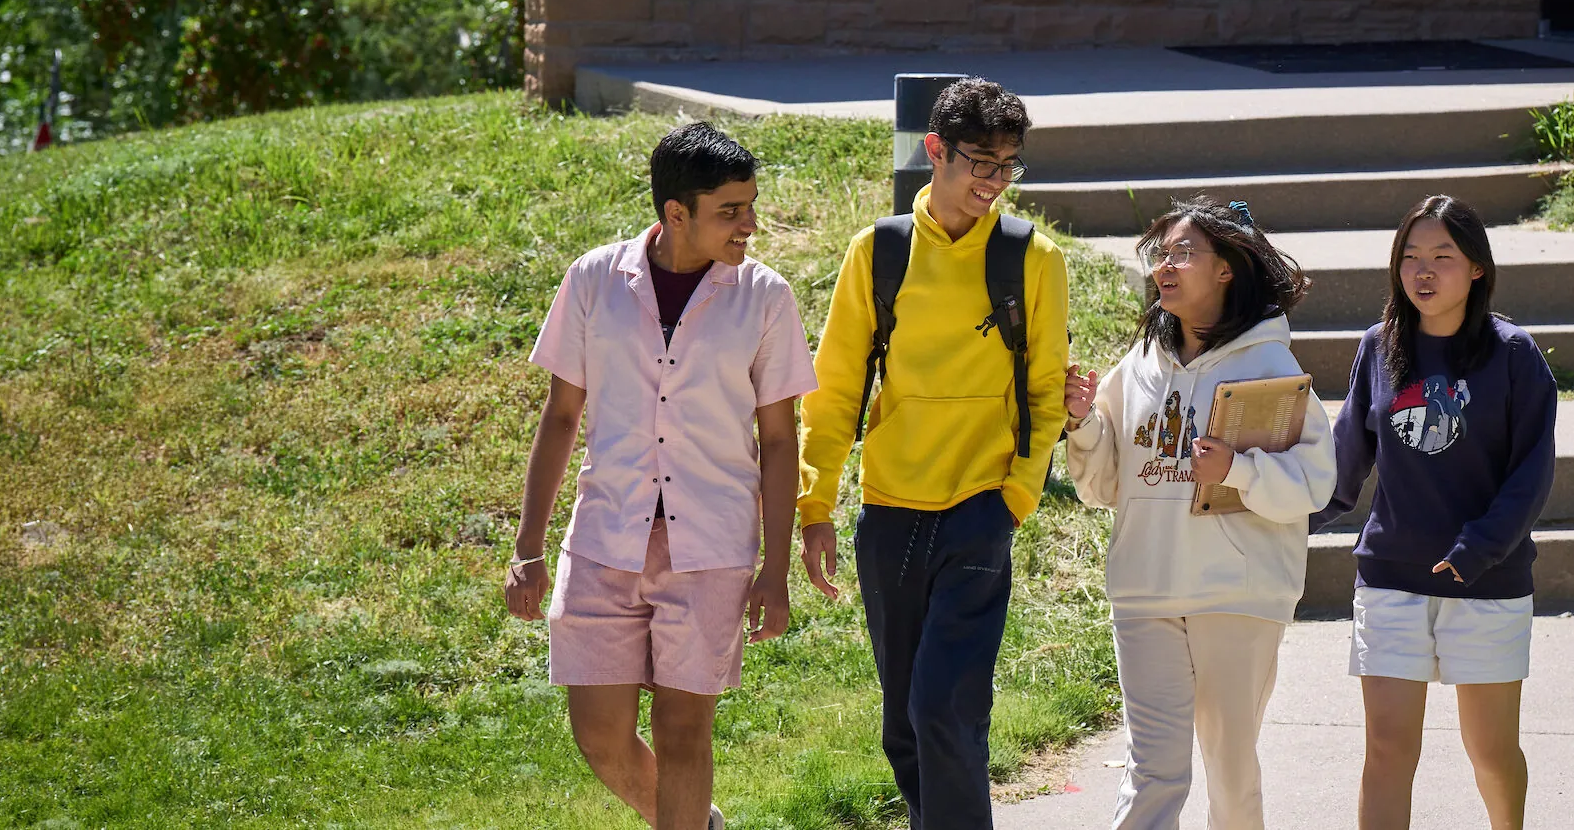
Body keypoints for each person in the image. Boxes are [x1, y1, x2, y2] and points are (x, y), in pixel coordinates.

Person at [504, 122, 818, 830]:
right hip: (603, 539)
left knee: (684, 734)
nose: (750, 224)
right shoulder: (593, 279)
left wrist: (775, 567)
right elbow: (559, 417)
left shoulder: (764, 297)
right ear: (675, 213)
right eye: (730, 211)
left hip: (709, 549)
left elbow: (777, 439)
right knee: (599, 734)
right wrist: (527, 546)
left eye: (751, 205)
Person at [797, 77, 1069, 830]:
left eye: (1008, 165)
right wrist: (814, 503)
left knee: (943, 708)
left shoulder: (1031, 259)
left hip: (978, 512)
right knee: (906, 727)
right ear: (934, 151)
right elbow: (834, 388)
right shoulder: (878, 252)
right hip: (888, 513)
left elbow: (1045, 392)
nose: (993, 182)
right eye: (980, 162)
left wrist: (1013, 497)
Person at [1064, 196, 1336, 830]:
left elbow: (1313, 483)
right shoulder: (1137, 369)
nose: (1165, 265)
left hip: (1237, 595)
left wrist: (1238, 470)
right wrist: (1081, 424)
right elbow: (1104, 483)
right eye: (1160, 253)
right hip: (1145, 592)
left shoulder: (1270, 366)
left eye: (1183, 252)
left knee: (1230, 772)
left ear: (1227, 270)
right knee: (1152, 770)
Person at [1312, 194, 1557, 830]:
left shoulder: (1514, 355)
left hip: (1487, 583)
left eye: (1442, 257)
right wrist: (1293, 517)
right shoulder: (1380, 345)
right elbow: (1347, 461)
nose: (1423, 271)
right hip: (1392, 578)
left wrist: (1480, 548)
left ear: (1477, 267)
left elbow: (1532, 473)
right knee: (1388, 752)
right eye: (1410, 257)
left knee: (1493, 755)